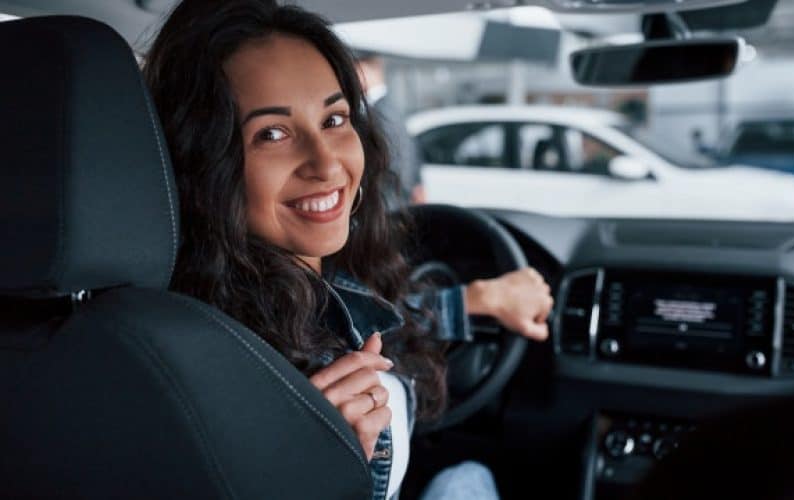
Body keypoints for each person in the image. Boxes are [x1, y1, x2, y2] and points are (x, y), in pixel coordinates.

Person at [142, 1, 554, 499]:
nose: (326, 164)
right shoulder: (202, 366)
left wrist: (477, 300)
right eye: (272, 134)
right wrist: (315, 470)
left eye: (334, 119)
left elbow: (377, 326)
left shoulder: (310, 288)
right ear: (201, 162)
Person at [354, 51, 426, 207]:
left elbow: (393, 160)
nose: (352, 79)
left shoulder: (382, 110)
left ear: (367, 71)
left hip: (387, 201)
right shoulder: (385, 105)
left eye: (356, 71)